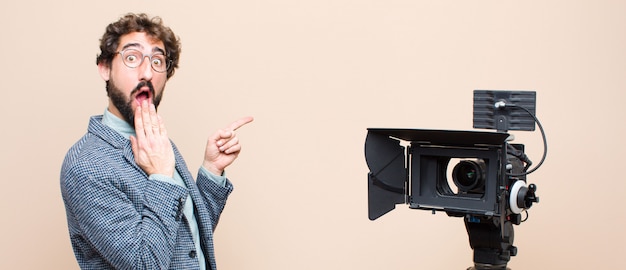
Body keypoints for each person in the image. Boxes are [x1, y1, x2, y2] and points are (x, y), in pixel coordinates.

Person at [60, 13, 253, 270]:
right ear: (105, 68)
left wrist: (211, 170)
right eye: (131, 58)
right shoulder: (86, 166)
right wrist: (161, 176)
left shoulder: (157, 143)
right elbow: (145, 264)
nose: (147, 72)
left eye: (158, 61)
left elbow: (187, 239)